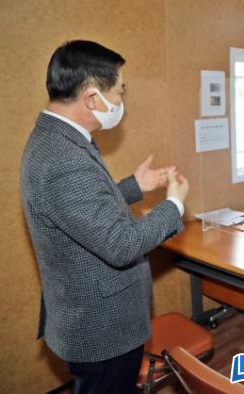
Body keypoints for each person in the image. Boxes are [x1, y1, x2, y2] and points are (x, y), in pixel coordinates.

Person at [20, 40, 189, 393]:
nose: (121, 101)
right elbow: (121, 245)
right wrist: (174, 205)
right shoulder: (64, 159)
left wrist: (133, 187)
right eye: (119, 92)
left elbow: (82, 210)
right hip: (102, 329)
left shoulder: (55, 138)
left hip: (87, 317)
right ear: (92, 98)